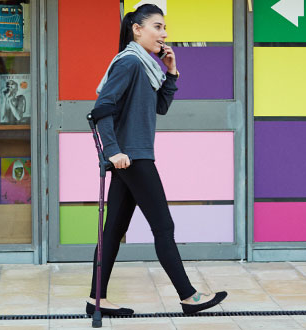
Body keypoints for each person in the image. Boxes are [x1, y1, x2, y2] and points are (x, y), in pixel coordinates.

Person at [86, 4, 227, 316]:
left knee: (112, 231)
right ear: (137, 29)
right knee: (163, 226)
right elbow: (102, 108)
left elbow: (160, 107)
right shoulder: (130, 63)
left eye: (165, 29)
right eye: (158, 27)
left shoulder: (147, 66)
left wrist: (171, 71)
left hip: (133, 156)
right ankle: (189, 296)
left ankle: (97, 299)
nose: (164, 34)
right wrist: (113, 151)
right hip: (132, 158)